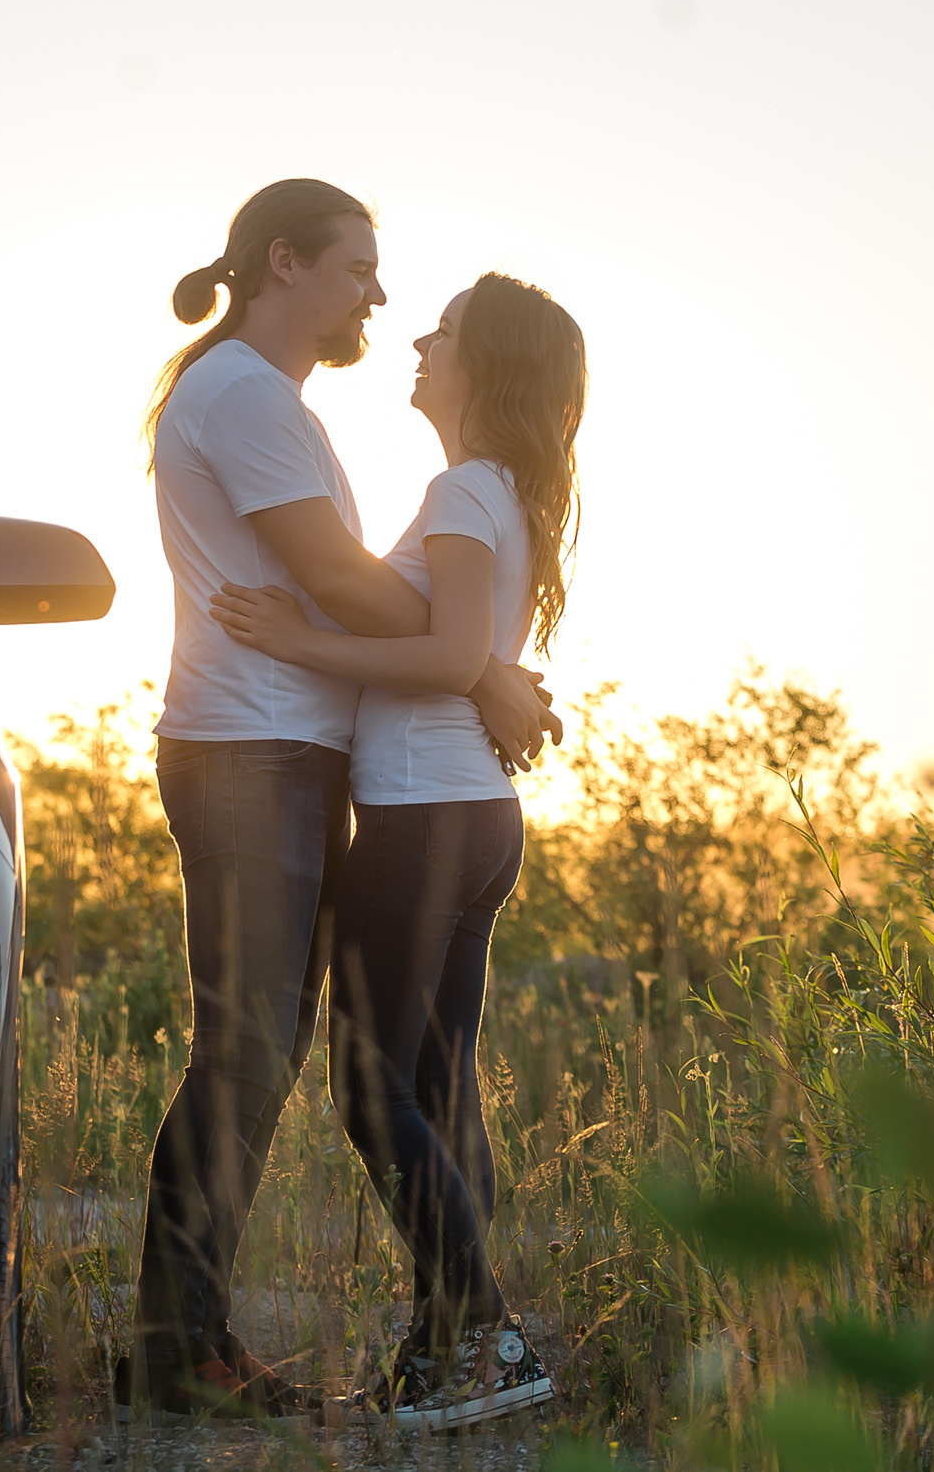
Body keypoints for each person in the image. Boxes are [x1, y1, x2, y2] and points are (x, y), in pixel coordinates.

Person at [123, 182, 560, 1419]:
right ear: (284, 261)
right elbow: (332, 578)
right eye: (360, 265)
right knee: (254, 1051)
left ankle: (385, 1336)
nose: (380, 293)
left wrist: (463, 658)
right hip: (250, 753)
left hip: (296, 752)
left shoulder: (272, 402)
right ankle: (179, 1349)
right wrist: (478, 667)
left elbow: (348, 587)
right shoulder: (246, 393)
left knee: (332, 1060)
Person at [212, 271, 586, 1429]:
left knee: (374, 1094)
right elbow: (467, 652)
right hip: (467, 817)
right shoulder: (498, 488)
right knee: (434, 1088)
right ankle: (443, 1353)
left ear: (490, 367)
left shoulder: (466, 486)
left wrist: (301, 634)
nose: (419, 339)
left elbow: (443, 654)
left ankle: (486, 1332)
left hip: (426, 815)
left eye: (447, 331)